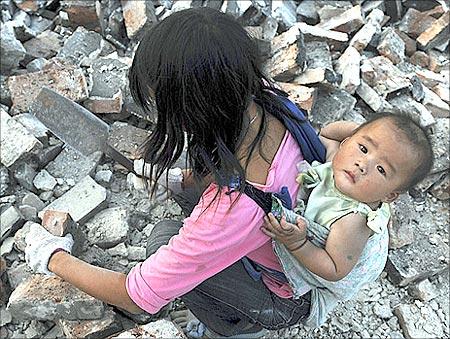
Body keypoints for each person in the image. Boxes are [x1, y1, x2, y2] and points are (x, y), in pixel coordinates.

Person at [23, 7, 358, 338]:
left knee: (163, 238)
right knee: (187, 194)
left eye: (161, 106)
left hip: (289, 297)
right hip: (294, 234)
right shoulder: (267, 99)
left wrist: (51, 256)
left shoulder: (232, 211)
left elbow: (136, 296)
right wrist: (181, 179)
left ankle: (237, 329)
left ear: (195, 113)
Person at [261, 114, 433, 326]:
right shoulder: (340, 161)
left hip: (331, 271)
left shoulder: (353, 221)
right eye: (364, 148)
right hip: (343, 250)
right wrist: (364, 134)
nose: (363, 164)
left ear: (389, 196)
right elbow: (328, 132)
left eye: (381, 169)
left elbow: (334, 269)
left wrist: (298, 243)